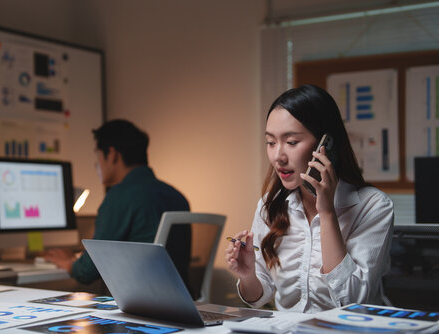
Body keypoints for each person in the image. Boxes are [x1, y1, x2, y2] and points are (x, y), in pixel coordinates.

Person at [225, 84, 394, 313]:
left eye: (292, 142)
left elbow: (353, 301)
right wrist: (247, 276)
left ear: (326, 145)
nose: (278, 157)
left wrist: (326, 213)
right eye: (271, 142)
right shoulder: (270, 205)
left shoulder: (374, 206)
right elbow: (258, 296)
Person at [45, 119, 190, 286]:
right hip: (182, 303)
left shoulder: (120, 196)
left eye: (97, 155)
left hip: (142, 305)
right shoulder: (176, 196)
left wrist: (69, 264)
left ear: (112, 154)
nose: (96, 164)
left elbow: (88, 271)